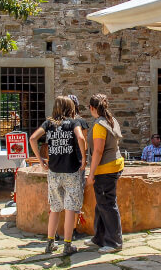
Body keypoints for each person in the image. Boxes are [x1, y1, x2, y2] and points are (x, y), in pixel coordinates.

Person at [30, 96, 86, 256]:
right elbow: (81, 138)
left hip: (54, 172)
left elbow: (33, 138)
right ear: (70, 108)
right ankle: (67, 245)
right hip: (71, 171)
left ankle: (50, 243)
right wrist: (83, 158)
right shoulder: (74, 123)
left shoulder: (48, 124)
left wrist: (40, 161)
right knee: (70, 208)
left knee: (54, 208)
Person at [85, 94, 125, 253]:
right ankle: (99, 238)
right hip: (114, 164)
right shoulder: (111, 120)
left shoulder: (100, 125)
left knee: (107, 204)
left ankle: (114, 242)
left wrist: (91, 173)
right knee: (101, 204)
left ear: (92, 108)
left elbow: (98, 151)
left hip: (105, 169)